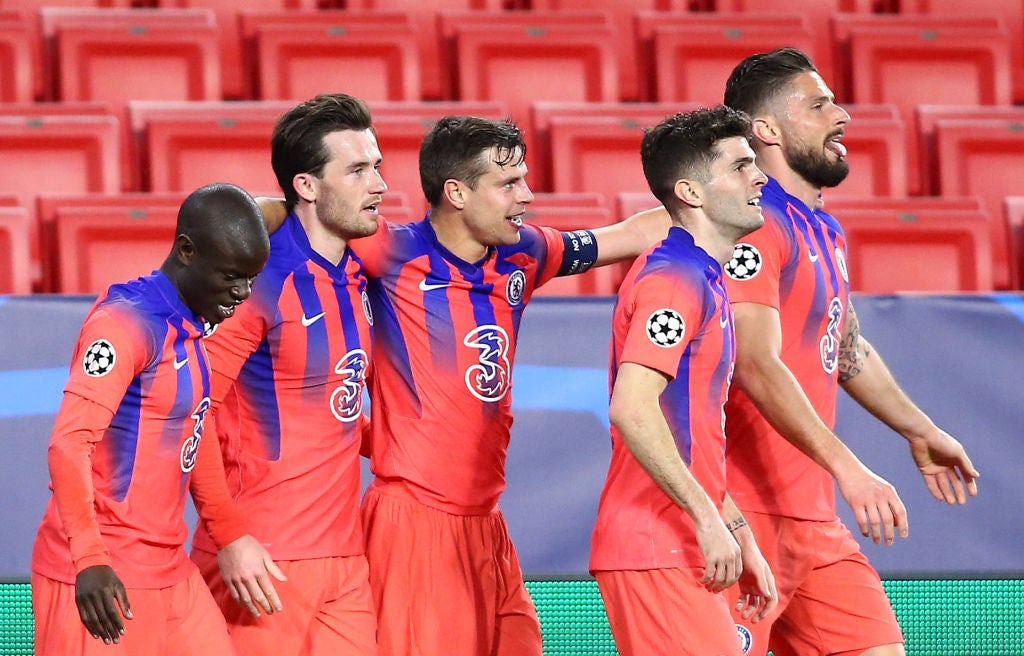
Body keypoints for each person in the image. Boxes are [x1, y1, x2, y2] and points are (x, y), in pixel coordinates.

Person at [632, 47, 980, 656]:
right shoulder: (751, 224)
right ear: (766, 129)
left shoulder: (822, 227)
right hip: (744, 514)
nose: (841, 115)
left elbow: (843, 346)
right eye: (819, 104)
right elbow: (755, 360)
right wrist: (848, 465)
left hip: (814, 519)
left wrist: (918, 429)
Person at [30, 183, 271, 655]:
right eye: (231, 277)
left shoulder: (195, 326)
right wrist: (90, 561)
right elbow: (68, 444)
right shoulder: (124, 324)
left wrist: (229, 533)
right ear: (186, 250)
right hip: (101, 576)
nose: (242, 294)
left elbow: (191, 434)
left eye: (250, 279)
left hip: (169, 571)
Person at [189, 93, 384, 655]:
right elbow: (190, 411)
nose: (378, 184)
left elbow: (330, 405)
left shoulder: (357, 269)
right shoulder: (258, 284)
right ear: (307, 186)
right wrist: (230, 537)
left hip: (346, 561)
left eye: (377, 166)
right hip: (263, 560)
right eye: (357, 169)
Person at [589, 106, 778, 656]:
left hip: (686, 542)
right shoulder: (674, 280)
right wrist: (706, 519)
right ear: (691, 192)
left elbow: (694, 437)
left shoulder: (704, 276)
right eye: (740, 165)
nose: (759, 175)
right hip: (656, 545)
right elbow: (632, 408)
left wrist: (741, 536)